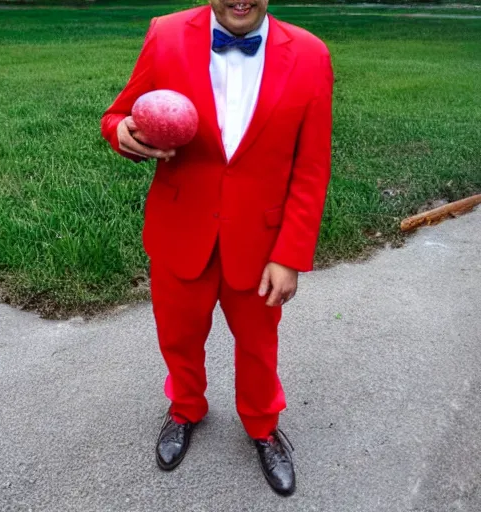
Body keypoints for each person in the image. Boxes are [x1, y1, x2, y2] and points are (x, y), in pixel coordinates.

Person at [101, 0, 333, 497]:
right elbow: (119, 114)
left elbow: (311, 168)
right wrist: (122, 133)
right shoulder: (165, 35)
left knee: (258, 345)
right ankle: (185, 407)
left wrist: (291, 253)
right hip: (181, 228)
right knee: (179, 336)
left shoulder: (311, 54)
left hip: (262, 242)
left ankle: (263, 426)